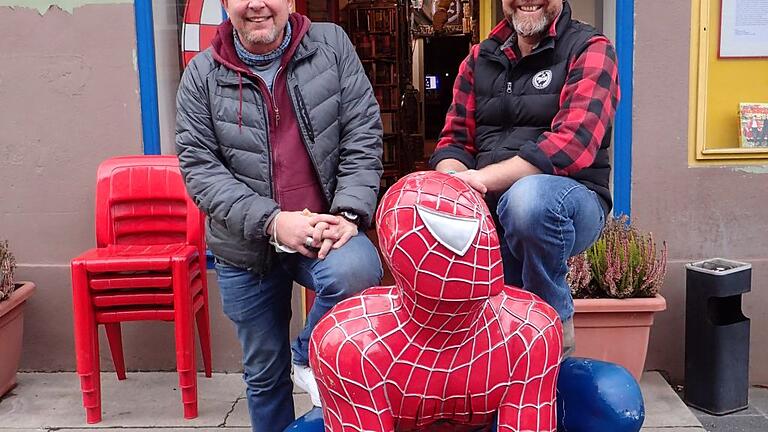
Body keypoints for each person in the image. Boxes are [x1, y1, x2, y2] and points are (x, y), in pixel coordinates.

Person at [174, 0, 384, 429]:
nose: (256, 5)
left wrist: (348, 213)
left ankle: (306, 353)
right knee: (265, 376)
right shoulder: (201, 75)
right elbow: (200, 170)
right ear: (225, 4)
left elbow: (362, 131)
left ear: (290, 1)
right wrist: (272, 221)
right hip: (244, 243)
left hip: (323, 229)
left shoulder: (331, 46)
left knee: (359, 269)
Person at [430, 0, 620, 356]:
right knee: (421, 201)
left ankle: (551, 328)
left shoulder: (591, 48)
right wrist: (454, 181)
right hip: (486, 201)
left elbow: (573, 144)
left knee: (527, 201)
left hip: (570, 198)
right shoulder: (477, 59)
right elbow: (453, 141)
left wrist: (482, 178)